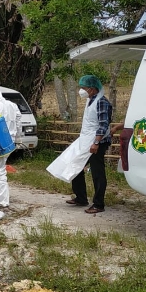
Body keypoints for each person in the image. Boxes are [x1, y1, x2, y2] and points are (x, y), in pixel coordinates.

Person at [47, 75, 113, 214]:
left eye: (84, 88)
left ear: (93, 89)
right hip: (86, 140)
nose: (82, 90)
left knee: (97, 172)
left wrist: (96, 142)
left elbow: (103, 125)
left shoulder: (101, 102)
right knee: (75, 164)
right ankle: (81, 197)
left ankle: (98, 204)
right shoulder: (91, 100)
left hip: (97, 142)